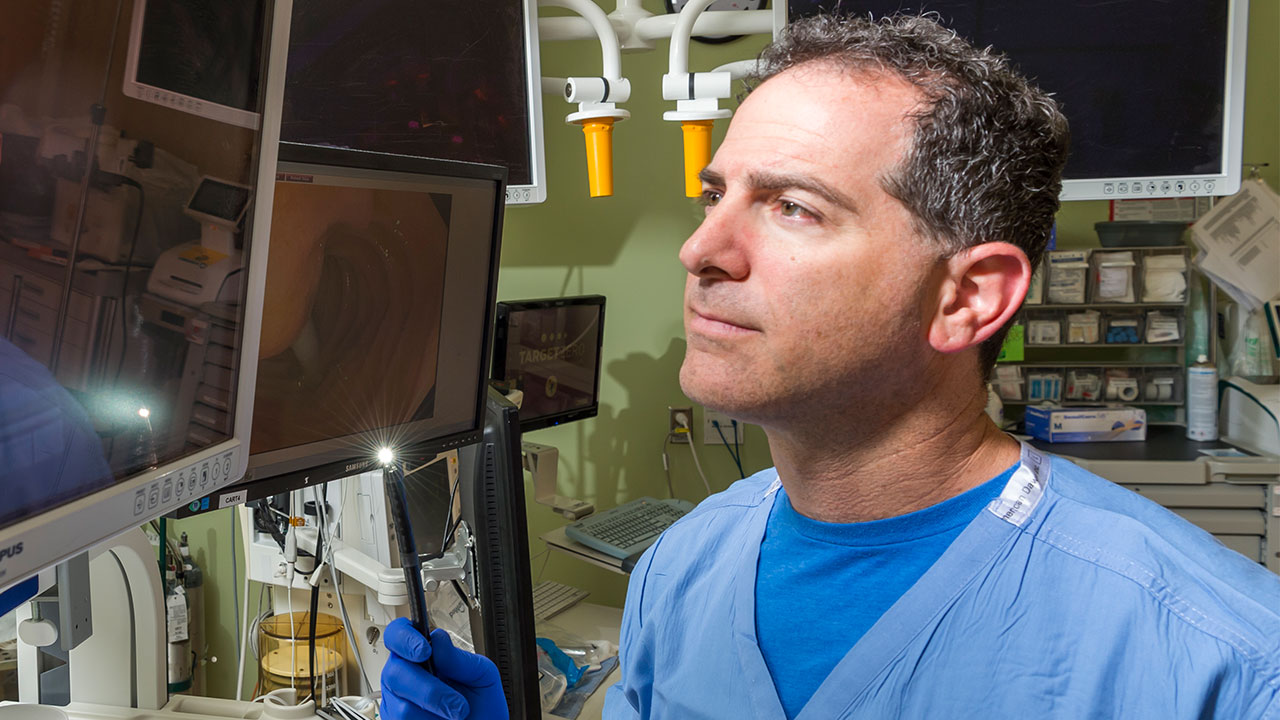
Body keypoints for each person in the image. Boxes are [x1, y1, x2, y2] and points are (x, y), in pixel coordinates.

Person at [380, 13, 1280, 720]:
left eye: (794, 209)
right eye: (715, 195)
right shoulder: (683, 571)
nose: (701, 249)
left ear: (968, 297)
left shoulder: (1219, 661)